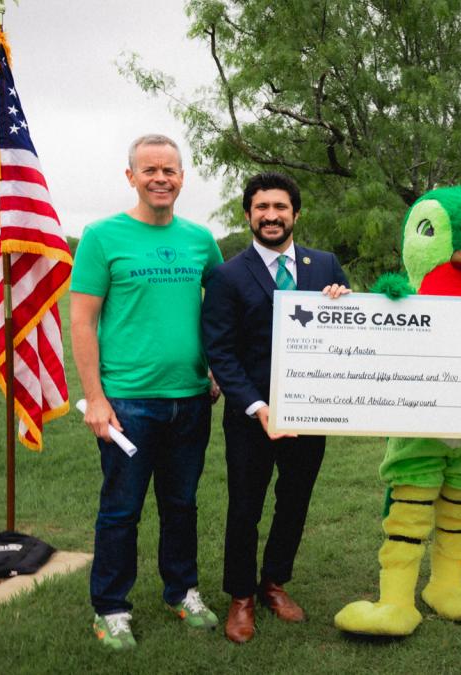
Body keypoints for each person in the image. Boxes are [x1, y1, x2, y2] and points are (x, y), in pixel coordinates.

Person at [70, 134, 224, 650]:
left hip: (191, 398)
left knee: (181, 504)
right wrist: (95, 398)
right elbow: (83, 319)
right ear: (130, 176)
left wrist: (217, 369)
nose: (161, 178)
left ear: (183, 177)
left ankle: (181, 591)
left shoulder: (201, 240)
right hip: (127, 403)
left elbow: (221, 312)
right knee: (122, 509)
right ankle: (111, 608)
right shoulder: (102, 236)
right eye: (150, 170)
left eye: (170, 170)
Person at [201, 171, 350, 644]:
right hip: (251, 417)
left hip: (310, 413)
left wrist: (344, 303)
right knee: (245, 506)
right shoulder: (226, 276)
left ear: (295, 214)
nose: (271, 216)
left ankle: (274, 583)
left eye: (280, 207)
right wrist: (256, 406)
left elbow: (351, 332)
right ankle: (241, 595)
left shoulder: (324, 265)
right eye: (262, 208)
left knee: (294, 502)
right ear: (248, 215)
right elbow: (219, 352)